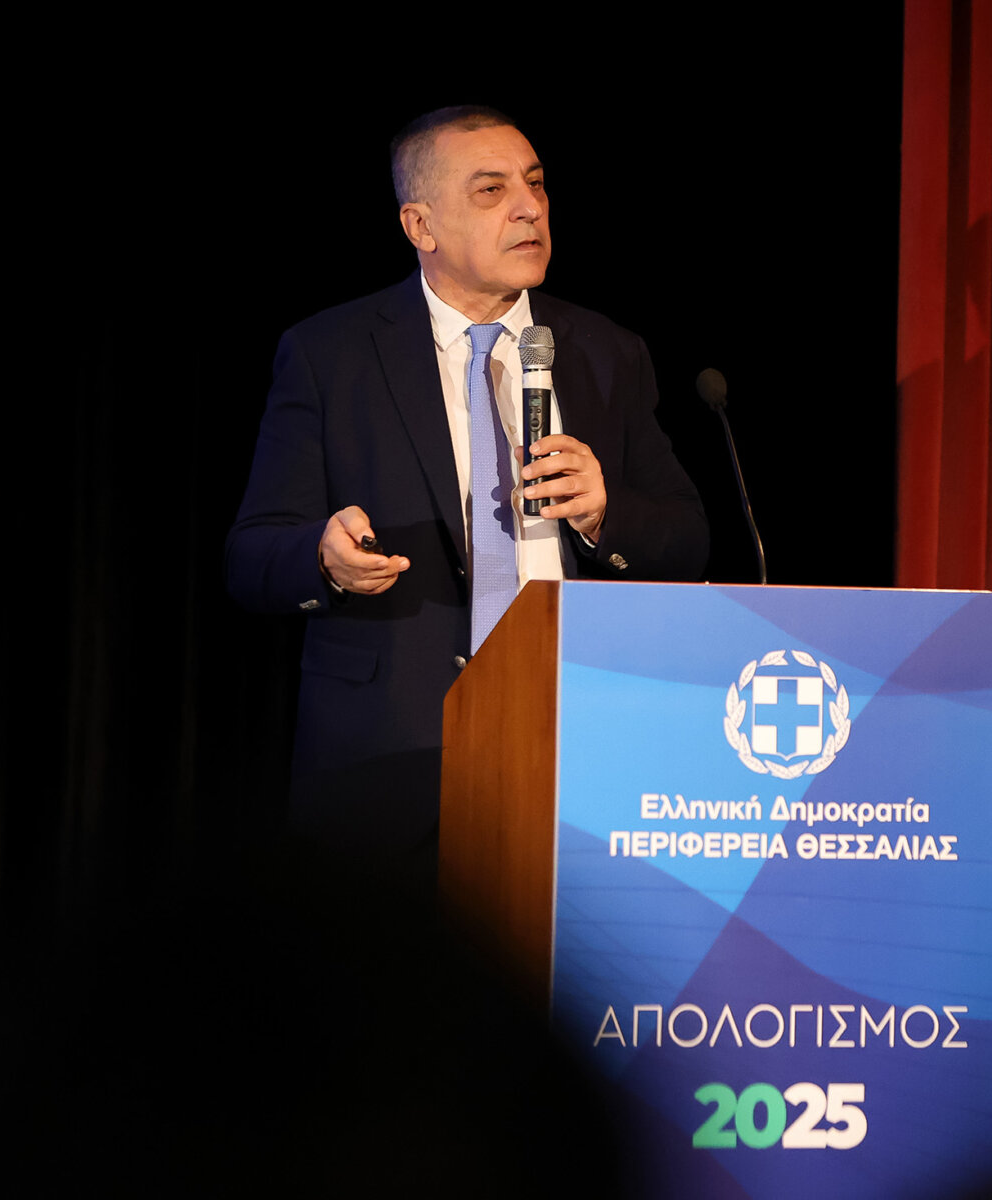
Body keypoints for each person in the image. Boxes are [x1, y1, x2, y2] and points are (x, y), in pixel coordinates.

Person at [226, 105, 708, 856]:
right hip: (392, 757)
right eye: (491, 190)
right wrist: (324, 557)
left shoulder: (606, 351)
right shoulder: (331, 354)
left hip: (582, 741)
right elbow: (251, 557)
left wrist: (603, 514)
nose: (529, 208)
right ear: (421, 225)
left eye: (535, 184)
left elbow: (687, 539)